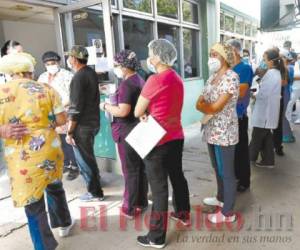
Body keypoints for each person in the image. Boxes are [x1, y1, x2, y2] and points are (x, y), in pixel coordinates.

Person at [0, 52, 74, 250]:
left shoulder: (1, 92)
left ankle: (44, 245)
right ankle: (63, 223)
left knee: (33, 203)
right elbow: (61, 120)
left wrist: (3, 129)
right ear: (30, 71)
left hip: (21, 156)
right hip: (49, 149)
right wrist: (44, 122)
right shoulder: (46, 88)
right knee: (54, 186)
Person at [134, 39, 190, 248]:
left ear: (157, 57)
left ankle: (156, 237)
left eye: (150, 53)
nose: (148, 57)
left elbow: (138, 111)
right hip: (176, 135)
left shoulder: (155, 80)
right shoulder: (177, 77)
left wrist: (145, 113)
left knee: (158, 189)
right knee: (177, 176)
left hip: (156, 139)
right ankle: (183, 214)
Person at [100, 50, 148, 219]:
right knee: (139, 168)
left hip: (127, 132)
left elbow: (123, 111)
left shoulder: (128, 84)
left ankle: (129, 206)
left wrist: (105, 106)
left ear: (125, 66)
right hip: (137, 130)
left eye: (117, 65)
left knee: (130, 170)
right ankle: (141, 202)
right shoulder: (138, 79)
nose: (116, 68)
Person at [197, 43, 239, 224]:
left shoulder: (231, 78)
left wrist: (206, 106)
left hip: (225, 132)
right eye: (210, 53)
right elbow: (199, 103)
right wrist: (207, 106)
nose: (211, 57)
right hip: (211, 129)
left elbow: (214, 106)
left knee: (227, 172)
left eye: (215, 54)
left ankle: (228, 212)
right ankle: (221, 197)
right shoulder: (212, 77)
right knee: (217, 168)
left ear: (224, 57)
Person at [65, 45, 104, 202]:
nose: (68, 60)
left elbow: (75, 109)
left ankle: (95, 192)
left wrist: (69, 131)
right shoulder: (90, 73)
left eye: (69, 57)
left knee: (84, 161)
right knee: (89, 157)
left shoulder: (78, 77)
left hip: (82, 126)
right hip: (93, 122)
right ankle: (96, 184)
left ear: (74, 59)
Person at [38, 51, 79, 181]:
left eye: (53, 63)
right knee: (58, 141)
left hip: (65, 112)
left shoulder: (67, 75)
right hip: (50, 115)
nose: (51, 65)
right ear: (44, 65)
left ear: (59, 62)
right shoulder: (42, 77)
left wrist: (60, 106)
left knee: (69, 140)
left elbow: (73, 95)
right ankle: (66, 164)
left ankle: (75, 166)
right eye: (48, 64)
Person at [249, 48, 284, 168]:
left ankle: (249, 158)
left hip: (265, 113)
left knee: (256, 137)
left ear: (271, 61)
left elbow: (264, 94)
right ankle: (268, 160)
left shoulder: (271, 74)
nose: (263, 62)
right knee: (267, 136)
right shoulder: (274, 73)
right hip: (268, 112)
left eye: (264, 59)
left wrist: (253, 95)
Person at [227, 40, 253, 193]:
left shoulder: (244, 68)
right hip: (227, 116)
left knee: (241, 150)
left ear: (235, 51)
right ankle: (235, 177)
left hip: (239, 115)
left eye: (228, 50)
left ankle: (244, 180)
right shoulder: (229, 68)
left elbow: (241, 92)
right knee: (232, 151)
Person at [281, 50, 296, 143]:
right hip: (286, 92)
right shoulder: (288, 67)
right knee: (284, 114)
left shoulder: (289, 68)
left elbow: (285, 82)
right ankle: (286, 134)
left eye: (282, 57)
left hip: (286, 92)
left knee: (284, 114)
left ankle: (286, 135)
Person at [286, 54, 300, 124]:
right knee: (291, 102)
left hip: (296, 87)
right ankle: (288, 118)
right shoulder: (294, 66)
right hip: (295, 87)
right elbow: (292, 77)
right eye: (298, 58)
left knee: (291, 102)